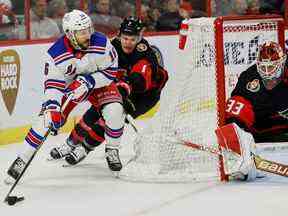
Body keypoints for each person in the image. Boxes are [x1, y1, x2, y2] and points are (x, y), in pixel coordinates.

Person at [5, 10, 125, 183]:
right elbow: (53, 85)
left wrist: (90, 80)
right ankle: (22, 159)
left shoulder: (101, 43)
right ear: (70, 34)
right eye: (82, 32)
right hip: (70, 89)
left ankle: (112, 149)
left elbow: (111, 72)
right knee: (46, 119)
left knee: (115, 110)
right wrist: (53, 107)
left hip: (97, 84)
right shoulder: (55, 54)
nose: (88, 35)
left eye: (88, 29)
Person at [49, 16, 169, 166]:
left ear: (139, 38)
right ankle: (70, 143)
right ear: (119, 35)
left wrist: (125, 89)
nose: (128, 42)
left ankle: (85, 148)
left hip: (143, 96)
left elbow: (139, 79)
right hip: (119, 88)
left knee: (108, 119)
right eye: (125, 38)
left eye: (132, 39)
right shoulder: (112, 46)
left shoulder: (145, 53)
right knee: (94, 112)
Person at [216, 41, 288, 181]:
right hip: (260, 133)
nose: (267, 74)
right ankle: (240, 158)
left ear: (282, 63)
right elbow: (235, 111)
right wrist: (236, 145)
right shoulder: (249, 78)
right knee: (235, 118)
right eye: (263, 68)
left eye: (272, 68)